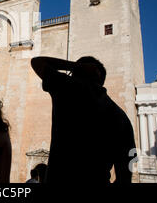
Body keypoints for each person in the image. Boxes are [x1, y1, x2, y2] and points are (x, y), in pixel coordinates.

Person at [31, 56, 136, 184]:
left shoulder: (69, 88)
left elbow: (37, 62)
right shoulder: (121, 118)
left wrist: (75, 66)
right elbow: (126, 170)